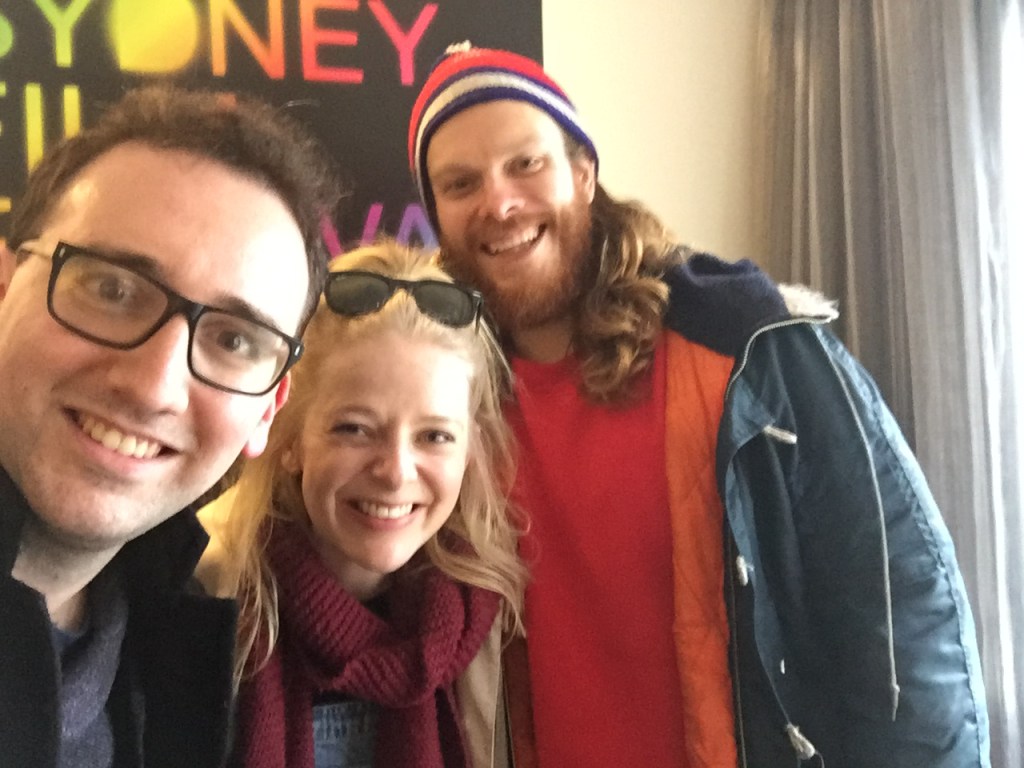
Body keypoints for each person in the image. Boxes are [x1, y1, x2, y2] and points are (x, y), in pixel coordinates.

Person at [406, 44, 991, 768]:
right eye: (461, 183)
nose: (499, 203)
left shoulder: (751, 347)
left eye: (526, 164)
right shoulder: (438, 402)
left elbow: (906, 614)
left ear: (583, 174)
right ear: (436, 216)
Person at [0, 84, 339, 768]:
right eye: (111, 289)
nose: (154, 385)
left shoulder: (177, 669)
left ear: (267, 410)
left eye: (235, 340)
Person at [196, 240, 526, 768]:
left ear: (470, 450)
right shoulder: (201, 595)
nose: (395, 472)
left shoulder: (489, 616)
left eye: (435, 436)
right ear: (290, 437)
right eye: (354, 429)